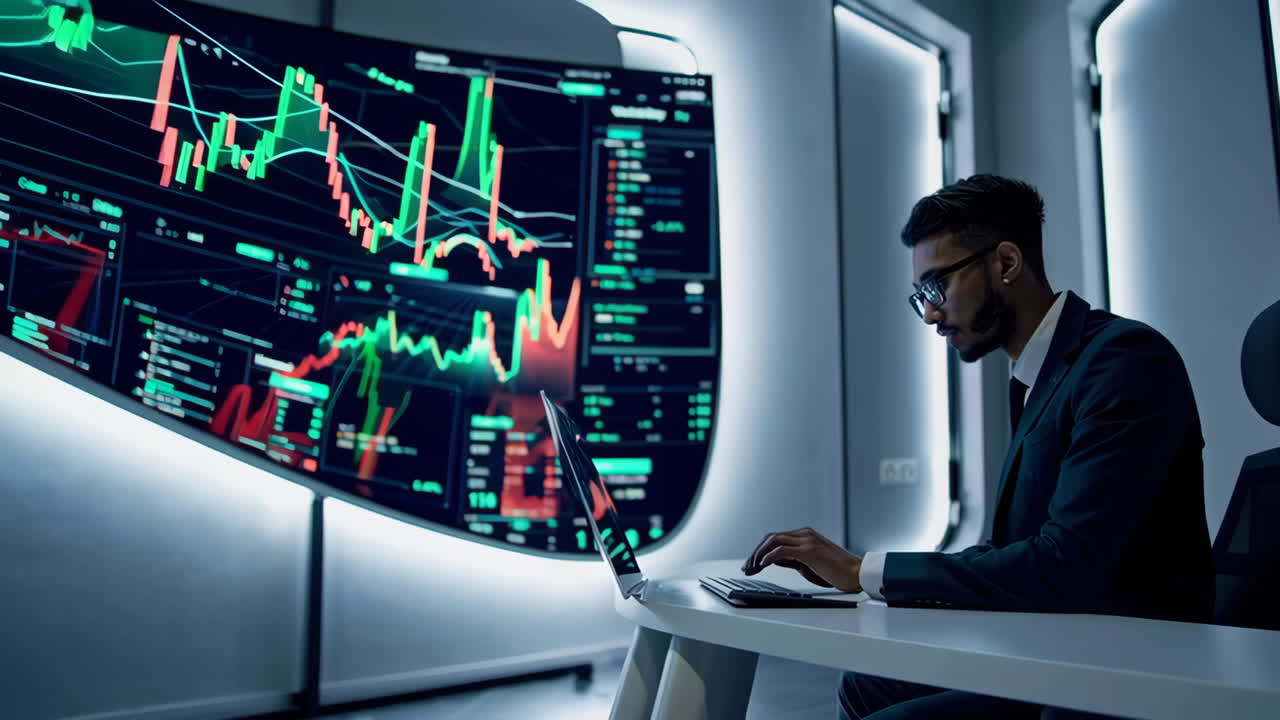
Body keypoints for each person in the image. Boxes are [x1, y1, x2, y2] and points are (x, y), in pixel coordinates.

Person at [741, 175, 1214, 719]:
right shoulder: (1041, 375)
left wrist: (865, 571)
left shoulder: (1123, 360)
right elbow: (1013, 548)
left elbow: (1066, 561)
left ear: (1006, 263)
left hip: (1125, 668)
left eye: (936, 287)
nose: (930, 315)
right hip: (1062, 646)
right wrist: (866, 576)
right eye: (920, 296)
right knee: (867, 684)